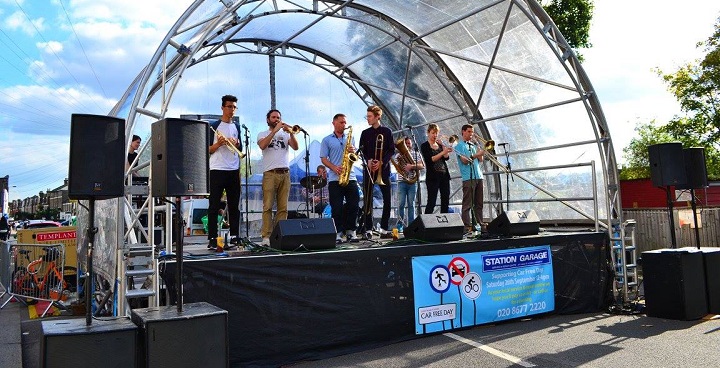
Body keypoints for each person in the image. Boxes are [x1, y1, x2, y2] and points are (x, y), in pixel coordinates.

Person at [257, 109, 298, 245]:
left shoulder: (285, 135)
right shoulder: (262, 134)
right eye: (273, 117)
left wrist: (291, 133)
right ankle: (266, 237)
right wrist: (274, 132)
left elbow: (296, 147)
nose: (276, 119)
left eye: (278, 117)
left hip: (285, 173)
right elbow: (263, 146)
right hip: (270, 173)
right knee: (267, 206)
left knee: (283, 208)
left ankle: (279, 235)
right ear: (268, 119)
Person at [207, 94, 243, 250]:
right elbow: (207, 149)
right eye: (229, 106)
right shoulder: (214, 126)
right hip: (217, 169)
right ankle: (212, 238)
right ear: (222, 107)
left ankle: (235, 236)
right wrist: (218, 144)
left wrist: (237, 143)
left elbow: (239, 149)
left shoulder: (236, 127)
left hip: (233, 169)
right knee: (214, 204)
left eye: (234, 107)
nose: (232, 110)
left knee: (234, 205)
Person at [320, 114, 361, 243]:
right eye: (342, 122)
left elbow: (355, 157)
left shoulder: (351, 137)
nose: (344, 125)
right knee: (336, 207)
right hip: (334, 178)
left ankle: (351, 231)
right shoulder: (326, 140)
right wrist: (334, 168)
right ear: (334, 123)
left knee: (354, 205)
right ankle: (338, 232)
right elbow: (323, 159)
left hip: (351, 176)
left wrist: (353, 151)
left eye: (345, 123)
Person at [358, 105, 394, 237]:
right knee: (368, 200)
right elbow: (361, 151)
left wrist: (381, 161)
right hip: (368, 170)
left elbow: (391, 150)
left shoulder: (387, 131)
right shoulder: (364, 133)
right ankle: (368, 228)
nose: (367, 118)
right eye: (367, 116)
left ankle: (384, 228)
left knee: (387, 200)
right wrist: (368, 160)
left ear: (377, 116)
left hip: (383, 170)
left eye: (369, 116)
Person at [454, 124, 484, 233]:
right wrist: (476, 155)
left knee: (479, 203)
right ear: (463, 132)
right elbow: (465, 161)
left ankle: (479, 224)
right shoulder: (459, 146)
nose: (471, 134)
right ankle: (466, 226)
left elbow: (481, 159)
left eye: (472, 132)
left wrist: (480, 148)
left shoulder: (473, 145)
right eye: (469, 132)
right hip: (468, 177)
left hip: (479, 176)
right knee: (467, 204)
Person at [420, 123, 452, 214]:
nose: (435, 135)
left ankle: (444, 223)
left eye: (436, 133)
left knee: (445, 200)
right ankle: (427, 222)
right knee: (432, 201)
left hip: (444, 176)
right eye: (433, 133)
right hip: (433, 177)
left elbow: (446, 158)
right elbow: (431, 159)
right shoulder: (425, 145)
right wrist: (442, 152)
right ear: (428, 133)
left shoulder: (440, 145)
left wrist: (444, 148)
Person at [394, 136, 424, 226]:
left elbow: (422, 166)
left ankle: (411, 225)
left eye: (409, 143)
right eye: (405, 143)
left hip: (412, 182)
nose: (407, 145)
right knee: (401, 204)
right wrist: (403, 168)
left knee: (412, 204)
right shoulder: (398, 155)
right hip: (402, 181)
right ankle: (400, 224)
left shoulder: (416, 154)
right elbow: (397, 167)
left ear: (411, 144)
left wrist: (411, 166)